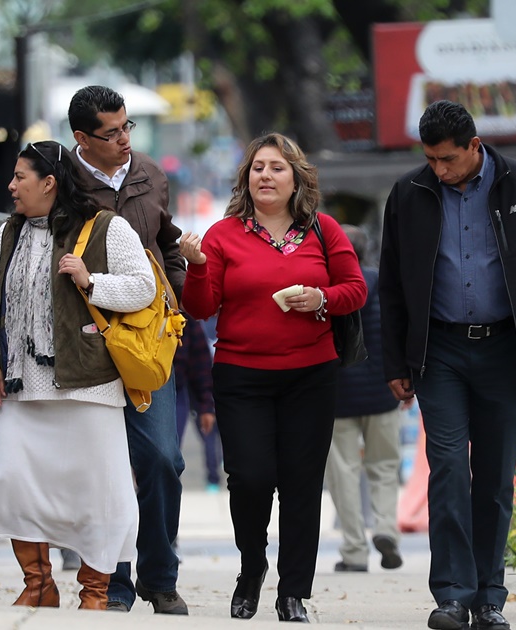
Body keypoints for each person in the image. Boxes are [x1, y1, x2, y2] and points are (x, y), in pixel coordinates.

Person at [379, 100, 516, 630]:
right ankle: (452, 595)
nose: (439, 170)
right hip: (438, 352)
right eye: (430, 160)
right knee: (445, 471)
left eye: (447, 160)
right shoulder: (409, 194)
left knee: (492, 477)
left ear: (474, 147)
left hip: (502, 349)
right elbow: (392, 286)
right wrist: (396, 359)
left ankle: (490, 596)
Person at [179, 132, 366, 623]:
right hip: (242, 375)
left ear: (296, 178)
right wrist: (196, 266)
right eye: (258, 167)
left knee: (302, 484)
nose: (266, 174)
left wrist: (321, 300)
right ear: (246, 177)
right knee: (251, 479)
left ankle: (293, 592)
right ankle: (251, 567)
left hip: (312, 375)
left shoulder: (324, 231)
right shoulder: (222, 235)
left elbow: (355, 289)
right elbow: (200, 308)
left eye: (277, 167)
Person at [0, 140, 154, 610]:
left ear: (49, 182)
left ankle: (95, 592)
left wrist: (90, 280)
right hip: (20, 387)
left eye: (20, 177)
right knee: (13, 486)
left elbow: (144, 289)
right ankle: (39, 585)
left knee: (99, 494)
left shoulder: (105, 228)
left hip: (89, 387)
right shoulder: (8, 234)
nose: (11, 186)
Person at [67, 84, 189, 615]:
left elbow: (167, 244)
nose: (123, 140)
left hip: (146, 346)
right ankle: (109, 585)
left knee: (163, 458)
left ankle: (160, 578)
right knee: (103, 468)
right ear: (81, 139)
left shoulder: (150, 176)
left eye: (127, 128)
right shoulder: (59, 183)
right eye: (111, 132)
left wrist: (175, 301)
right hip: (88, 347)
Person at [324, 224, 408, 573]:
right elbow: (399, 333)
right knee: (385, 467)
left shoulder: (326, 290)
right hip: (384, 392)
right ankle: (386, 529)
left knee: (343, 472)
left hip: (339, 397)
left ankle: (354, 550)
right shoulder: (385, 284)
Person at [174, 314, 221, 492]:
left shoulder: (187, 318)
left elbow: (199, 363)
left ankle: (213, 478)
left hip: (176, 388)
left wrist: (205, 406)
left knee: (170, 457)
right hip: (137, 386)